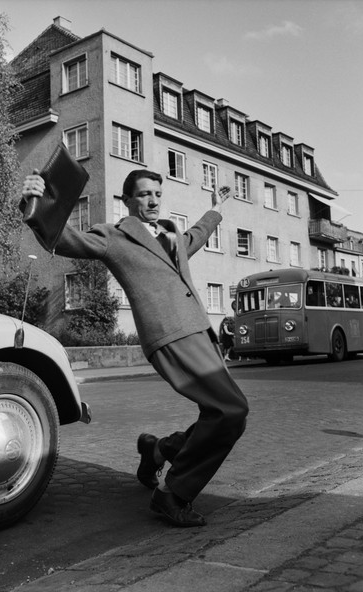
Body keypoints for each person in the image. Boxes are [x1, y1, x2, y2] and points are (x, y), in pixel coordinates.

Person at [21, 168, 249, 528]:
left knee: (221, 414)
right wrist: (36, 203)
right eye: (144, 194)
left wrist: (216, 208)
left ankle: (159, 450)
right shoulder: (116, 236)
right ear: (127, 200)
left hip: (200, 334)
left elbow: (198, 235)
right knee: (232, 411)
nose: (153, 200)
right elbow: (67, 241)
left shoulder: (172, 236)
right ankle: (172, 495)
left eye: (157, 193)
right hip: (170, 336)